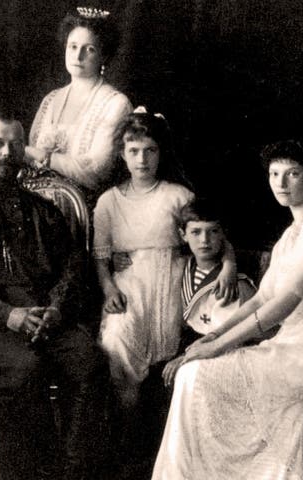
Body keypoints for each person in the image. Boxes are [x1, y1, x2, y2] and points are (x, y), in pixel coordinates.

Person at [152, 139, 303, 480]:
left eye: (292, 173)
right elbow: (261, 299)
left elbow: (282, 305)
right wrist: (214, 335)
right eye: (275, 174)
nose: (281, 183)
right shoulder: (292, 233)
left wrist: (217, 347)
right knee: (196, 374)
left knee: (195, 374)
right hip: (292, 346)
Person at [0, 111, 107, 480]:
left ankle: (72, 472)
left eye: (15, 144)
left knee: (89, 361)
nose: (7, 152)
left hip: (45, 318)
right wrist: (7, 314)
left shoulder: (45, 212)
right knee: (25, 369)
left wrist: (56, 310)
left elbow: (72, 270)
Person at [93, 110, 237, 475]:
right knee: (118, 343)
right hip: (130, 283)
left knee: (175, 355)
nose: (142, 159)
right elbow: (101, 256)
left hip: (175, 279)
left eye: (151, 150)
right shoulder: (109, 201)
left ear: (161, 153)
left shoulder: (177, 195)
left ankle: (167, 447)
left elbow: (214, 235)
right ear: (122, 154)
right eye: (134, 150)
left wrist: (231, 265)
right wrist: (109, 286)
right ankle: (127, 440)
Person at [27, 6, 132, 195]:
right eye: (73, 46)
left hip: (85, 208)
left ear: (104, 56)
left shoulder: (116, 104)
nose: (78, 55)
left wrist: (43, 156)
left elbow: (97, 171)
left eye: (89, 49)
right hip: (37, 205)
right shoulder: (50, 100)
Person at [161, 198, 257, 386]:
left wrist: (185, 357)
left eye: (213, 232)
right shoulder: (184, 266)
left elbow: (228, 338)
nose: (204, 240)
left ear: (223, 235)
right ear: (183, 235)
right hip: (192, 342)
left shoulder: (230, 284)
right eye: (196, 232)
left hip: (222, 348)